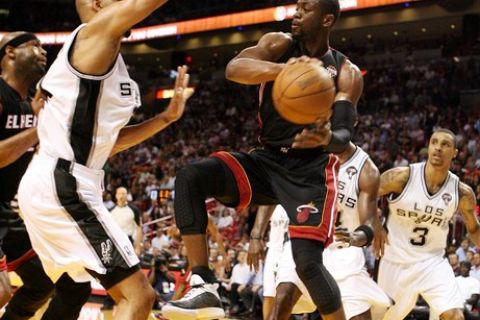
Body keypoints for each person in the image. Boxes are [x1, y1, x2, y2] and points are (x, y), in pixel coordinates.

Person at [163, 0, 363, 319]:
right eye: (296, 6)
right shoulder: (278, 43)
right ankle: (204, 285)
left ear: (327, 19)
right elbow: (234, 69)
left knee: (307, 264)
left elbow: (342, 136)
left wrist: (325, 139)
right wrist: (288, 73)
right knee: (191, 177)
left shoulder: (346, 72)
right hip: (267, 160)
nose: (296, 12)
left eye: (306, 8)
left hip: (309, 171)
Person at [17, 1, 193, 319]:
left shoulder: (102, 54)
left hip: (64, 179)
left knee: (73, 291)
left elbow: (107, 144)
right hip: (63, 184)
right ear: (99, 3)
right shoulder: (93, 35)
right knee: (138, 296)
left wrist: (166, 118)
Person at [0, 31, 92, 320]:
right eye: (33, 45)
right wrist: (42, 128)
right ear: (10, 52)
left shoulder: (33, 104)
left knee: (58, 284)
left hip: (7, 212)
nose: (42, 51)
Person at [249, 142, 391, 320]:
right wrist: (256, 236)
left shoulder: (366, 169)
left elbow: (369, 224)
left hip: (344, 253)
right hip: (303, 243)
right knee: (282, 300)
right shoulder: (303, 151)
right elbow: (272, 189)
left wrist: (356, 236)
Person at [377, 128, 480, 320]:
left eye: (445, 144)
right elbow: (364, 193)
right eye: (434, 142)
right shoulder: (402, 177)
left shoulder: (462, 193)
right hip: (395, 261)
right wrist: (374, 223)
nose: (438, 148)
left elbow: (473, 229)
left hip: (432, 262)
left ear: (455, 153)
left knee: (455, 315)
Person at [110, 186, 143, 254]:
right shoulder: (110, 211)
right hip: (115, 241)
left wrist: (138, 247)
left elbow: (139, 228)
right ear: (116, 195)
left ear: (127, 195)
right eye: (119, 193)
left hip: (128, 240)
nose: (121, 195)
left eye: (124, 193)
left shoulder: (134, 210)